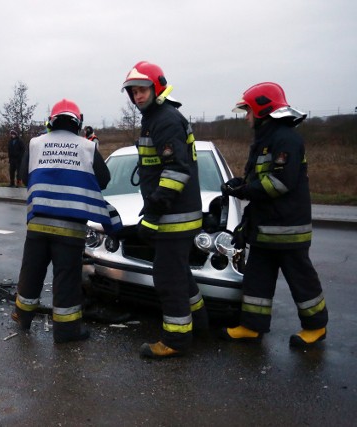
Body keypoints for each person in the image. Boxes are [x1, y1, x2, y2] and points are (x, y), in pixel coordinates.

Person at [220, 82, 328, 347]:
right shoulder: (267, 139)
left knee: (301, 281)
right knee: (257, 280)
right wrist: (240, 184)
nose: (246, 117)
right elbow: (261, 177)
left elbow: (279, 183)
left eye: (248, 111)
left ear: (261, 110)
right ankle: (251, 327)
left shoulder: (286, 139)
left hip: (287, 229)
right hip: (265, 227)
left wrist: (245, 191)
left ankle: (316, 327)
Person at [11, 99, 121, 343]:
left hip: (38, 224)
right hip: (70, 229)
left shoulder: (35, 143)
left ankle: (22, 317)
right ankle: (66, 331)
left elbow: (22, 175)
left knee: (31, 273)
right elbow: (103, 180)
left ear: (50, 122)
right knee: (66, 280)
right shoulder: (87, 147)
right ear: (78, 123)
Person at [121, 61, 206, 359]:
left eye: (142, 90)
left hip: (174, 216)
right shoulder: (156, 117)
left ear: (157, 87)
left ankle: (176, 340)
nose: (137, 97)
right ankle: (201, 321)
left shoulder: (165, 120)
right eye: (132, 92)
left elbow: (175, 173)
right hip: (176, 214)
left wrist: (153, 214)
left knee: (167, 278)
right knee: (180, 272)